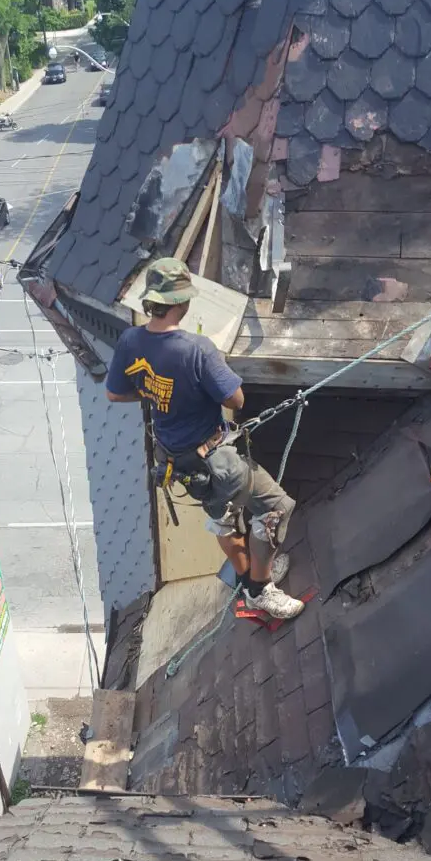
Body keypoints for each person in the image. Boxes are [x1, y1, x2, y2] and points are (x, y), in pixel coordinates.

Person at [106, 257, 305, 620]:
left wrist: (156, 394)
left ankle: (246, 578)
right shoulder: (197, 349)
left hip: (177, 459)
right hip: (217, 458)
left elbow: (116, 394)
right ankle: (261, 589)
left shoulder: (130, 341)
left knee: (223, 517)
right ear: (181, 302)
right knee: (277, 506)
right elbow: (236, 400)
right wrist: (205, 378)